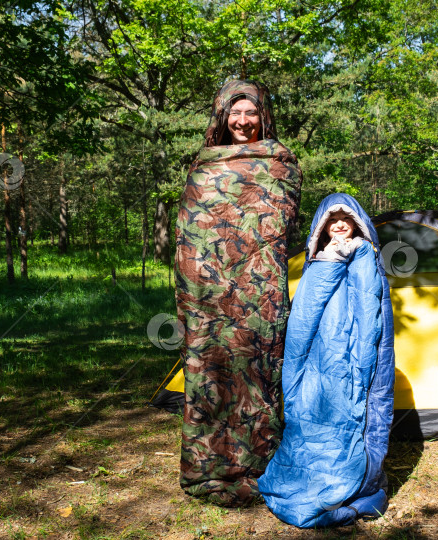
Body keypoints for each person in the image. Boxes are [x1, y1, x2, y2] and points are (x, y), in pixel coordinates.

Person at [174, 79, 302, 507]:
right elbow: (190, 233)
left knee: (258, 372)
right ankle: (208, 465)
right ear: (221, 116)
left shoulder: (281, 162)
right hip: (208, 295)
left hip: (259, 292)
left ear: (263, 115)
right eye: (235, 113)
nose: (243, 122)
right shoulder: (203, 166)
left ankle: (259, 462)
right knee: (210, 373)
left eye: (251, 113)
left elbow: (281, 228)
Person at [257, 193, 396, 528]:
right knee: (309, 407)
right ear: (321, 228)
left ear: (357, 225)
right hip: (319, 361)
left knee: (362, 406)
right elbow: (303, 319)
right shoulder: (316, 263)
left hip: (357, 359)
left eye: (345, 220)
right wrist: (329, 262)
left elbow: (376, 313)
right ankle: (313, 472)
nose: (338, 225)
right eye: (332, 220)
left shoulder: (369, 259)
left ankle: (359, 475)